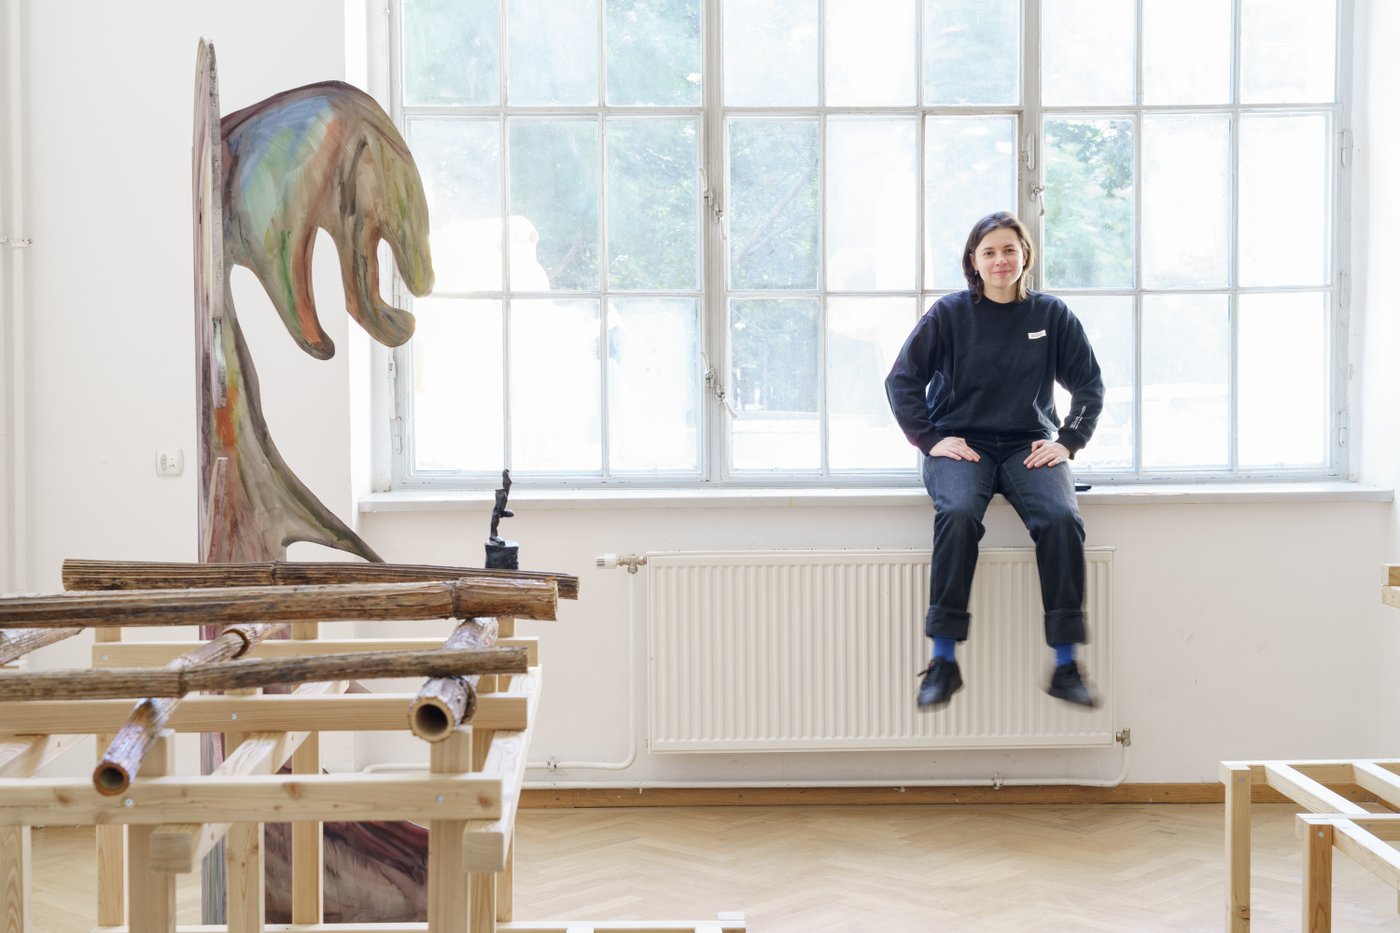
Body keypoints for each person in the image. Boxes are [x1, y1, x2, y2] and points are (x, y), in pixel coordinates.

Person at [885, 211, 1104, 710]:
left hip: (1030, 444)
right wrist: (929, 439)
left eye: (1009, 249)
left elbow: (1089, 385)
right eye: (989, 252)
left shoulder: (1051, 315)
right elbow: (901, 379)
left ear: (1025, 255)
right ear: (973, 261)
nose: (1000, 260)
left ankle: (1066, 665)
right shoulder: (949, 314)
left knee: (1061, 519)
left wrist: (1068, 440)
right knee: (960, 513)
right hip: (962, 444)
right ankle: (943, 661)